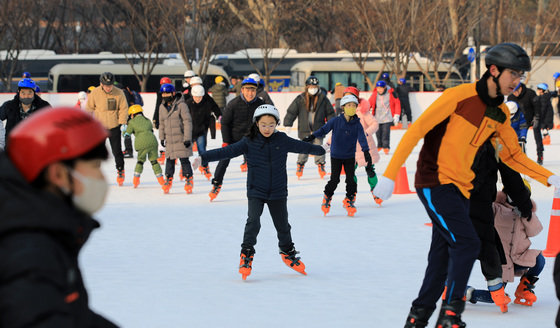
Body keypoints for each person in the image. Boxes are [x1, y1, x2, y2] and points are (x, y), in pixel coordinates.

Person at [372, 43, 560, 328]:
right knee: (468, 242)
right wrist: (389, 174)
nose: (517, 81)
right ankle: (450, 316)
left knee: (441, 259)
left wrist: (549, 177)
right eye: (513, 74)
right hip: (434, 181)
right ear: (493, 70)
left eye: (521, 75)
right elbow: (418, 129)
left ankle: (417, 318)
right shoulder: (459, 97)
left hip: (462, 189)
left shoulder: (500, 113)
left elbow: (511, 155)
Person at [0, 107, 118, 327]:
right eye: (94, 167)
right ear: (58, 174)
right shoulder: (30, 255)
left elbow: (70, 313)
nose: (101, 177)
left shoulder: (35, 226)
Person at [192, 104, 326, 280]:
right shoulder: (249, 141)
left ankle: (287, 252)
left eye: (271, 124)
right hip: (257, 190)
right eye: (263, 124)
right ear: (256, 123)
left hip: (278, 191)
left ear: (276, 124)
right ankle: (246, 254)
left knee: (283, 225)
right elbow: (228, 151)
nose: (267, 128)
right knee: (253, 223)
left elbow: (303, 147)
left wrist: (322, 150)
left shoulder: (282, 140)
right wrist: (203, 158)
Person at [467, 187, 545, 310]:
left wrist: (527, 214)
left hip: (519, 257)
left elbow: (535, 231)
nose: (517, 198)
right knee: (496, 296)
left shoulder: (526, 211)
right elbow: (482, 213)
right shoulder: (496, 207)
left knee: (539, 259)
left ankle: (523, 289)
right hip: (501, 261)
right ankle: (467, 293)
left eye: (522, 195)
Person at [304, 94, 373, 217]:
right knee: (335, 180)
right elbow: (324, 129)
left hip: (350, 156)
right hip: (336, 155)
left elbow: (362, 138)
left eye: (353, 105)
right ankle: (327, 197)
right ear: (343, 107)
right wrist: (313, 136)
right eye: (349, 105)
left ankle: (349, 199)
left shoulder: (357, 124)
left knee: (351, 179)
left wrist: (366, 151)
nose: (351, 107)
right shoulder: (336, 121)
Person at [209, 77, 264, 200]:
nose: (250, 93)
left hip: (252, 139)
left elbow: (265, 122)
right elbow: (225, 123)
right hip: (234, 138)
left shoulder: (260, 105)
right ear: (242, 90)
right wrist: (226, 141)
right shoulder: (233, 104)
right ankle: (216, 183)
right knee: (223, 160)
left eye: (253, 91)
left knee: (256, 164)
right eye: (247, 90)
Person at [283, 75, 335, 179]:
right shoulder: (300, 99)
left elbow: (330, 113)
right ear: (307, 87)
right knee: (303, 149)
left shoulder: (323, 99)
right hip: (305, 131)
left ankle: (321, 165)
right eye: (311, 86)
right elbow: (292, 111)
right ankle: (300, 165)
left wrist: (332, 126)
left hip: (318, 130)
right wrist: (288, 123)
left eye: (315, 86)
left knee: (319, 148)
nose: (313, 88)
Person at [86, 72, 129, 186]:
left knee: (117, 151)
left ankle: (120, 170)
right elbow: (89, 108)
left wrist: (122, 122)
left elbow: (124, 108)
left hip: (114, 126)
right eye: (106, 85)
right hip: (99, 128)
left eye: (110, 85)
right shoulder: (95, 93)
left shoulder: (119, 93)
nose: (108, 88)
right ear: (101, 84)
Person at [341, 86, 381, 203]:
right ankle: (351, 194)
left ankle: (376, 191)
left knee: (370, 170)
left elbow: (374, 124)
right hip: (351, 149)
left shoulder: (363, 112)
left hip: (365, 147)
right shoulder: (344, 115)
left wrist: (366, 133)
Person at [158, 83, 194, 194]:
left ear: (173, 93)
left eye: (167, 93)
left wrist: (187, 138)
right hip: (169, 139)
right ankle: (168, 179)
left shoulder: (181, 105)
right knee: (169, 160)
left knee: (184, 160)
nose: (165, 95)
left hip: (181, 138)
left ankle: (188, 179)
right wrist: (162, 137)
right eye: (163, 93)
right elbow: (161, 123)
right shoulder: (162, 107)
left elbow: (187, 122)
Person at [123, 104, 165, 189]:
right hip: (153, 142)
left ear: (132, 114)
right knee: (154, 161)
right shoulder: (147, 120)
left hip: (141, 143)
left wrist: (124, 130)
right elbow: (151, 131)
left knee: (140, 161)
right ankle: (161, 180)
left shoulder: (131, 122)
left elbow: (127, 134)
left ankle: (136, 180)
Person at [185, 84, 221, 180]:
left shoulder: (207, 102)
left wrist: (220, 116)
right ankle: (185, 168)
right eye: (196, 97)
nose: (198, 99)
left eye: (200, 97)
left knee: (202, 150)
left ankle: (205, 166)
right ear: (192, 96)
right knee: (186, 151)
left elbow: (216, 108)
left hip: (201, 130)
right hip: (190, 131)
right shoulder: (188, 103)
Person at [508, 82, 540, 163]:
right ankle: (520, 157)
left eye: (515, 91)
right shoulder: (511, 97)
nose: (514, 94)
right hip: (517, 121)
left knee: (537, 135)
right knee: (518, 140)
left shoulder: (530, 93)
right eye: (513, 92)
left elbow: (537, 106)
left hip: (531, 119)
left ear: (520, 88)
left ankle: (540, 155)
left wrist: (536, 117)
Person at [369, 80, 401, 155]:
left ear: (385, 87)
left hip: (387, 117)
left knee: (385, 133)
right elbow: (370, 102)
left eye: (381, 88)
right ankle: (379, 145)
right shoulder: (375, 94)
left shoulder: (391, 93)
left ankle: (386, 147)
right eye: (378, 88)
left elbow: (397, 103)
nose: (379, 90)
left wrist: (396, 115)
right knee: (378, 133)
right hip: (377, 117)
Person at [535, 83, 556, 149]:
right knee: (544, 127)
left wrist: (539, 114)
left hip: (545, 115)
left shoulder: (543, 98)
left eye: (538, 89)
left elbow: (543, 108)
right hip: (547, 115)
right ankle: (546, 137)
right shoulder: (546, 96)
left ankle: (547, 138)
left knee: (544, 127)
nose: (537, 90)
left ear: (541, 90)